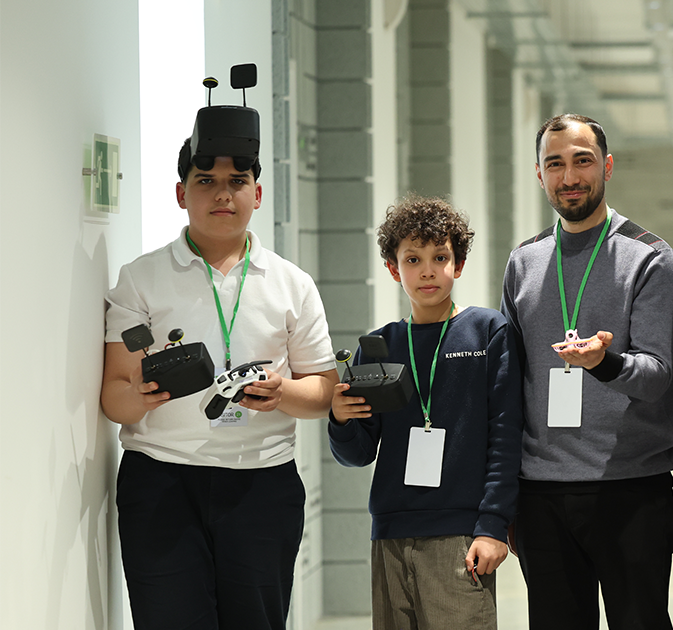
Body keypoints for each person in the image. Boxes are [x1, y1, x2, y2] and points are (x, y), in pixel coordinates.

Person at [100, 135, 338, 627]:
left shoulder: (292, 283)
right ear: (181, 193)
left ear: (258, 194)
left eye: (237, 181)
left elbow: (323, 393)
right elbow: (114, 398)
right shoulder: (140, 278)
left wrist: (282, 392)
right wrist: (142, 395)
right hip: (161, 479)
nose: (223, 194)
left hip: (262, 483)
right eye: (206, 181)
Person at [501, 113, 673, 630]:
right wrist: (505, 497)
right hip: (541, 492)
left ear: (606, 166)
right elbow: (511, 386)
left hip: (630, 487)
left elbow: (656, 375)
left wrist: (604, 362)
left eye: (582, 161)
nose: (569, 177)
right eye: (554, 164)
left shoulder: (649, 258)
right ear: (539, 174)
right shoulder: (523, 262)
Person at [328, 195, 523, 630]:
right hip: (391, 534)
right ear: (394, 269)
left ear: (459, 264)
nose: (428, 271)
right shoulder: (379, 347)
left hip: (461, 534)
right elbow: (358, 453)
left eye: (440, 257)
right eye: (413, 259)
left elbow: (506, 436)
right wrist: (340, 418)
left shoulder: (488, 332)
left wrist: (493, 525)